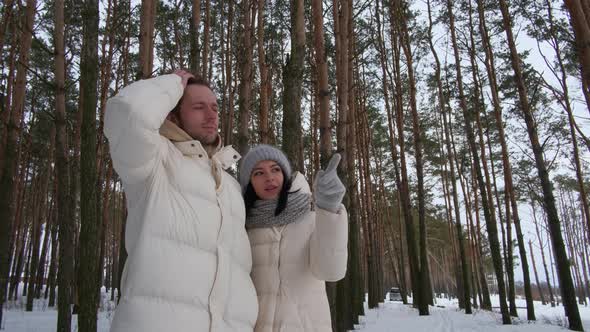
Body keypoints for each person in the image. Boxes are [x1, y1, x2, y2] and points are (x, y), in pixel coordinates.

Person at [104, 70, 258, 331]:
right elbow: (128, 114)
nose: (211, 116)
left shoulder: (230, 185)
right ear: (172, 115)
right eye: (198, 107)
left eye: (214, 107)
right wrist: (172, 83)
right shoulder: (155, 160)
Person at [239, 145, 348, 331]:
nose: (269, 177)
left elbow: (331, 272)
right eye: (259, 173)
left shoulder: (312, 218)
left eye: (275, 169)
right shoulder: (243, 227)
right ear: (249, 183)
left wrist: (329, 209)